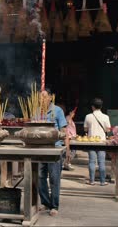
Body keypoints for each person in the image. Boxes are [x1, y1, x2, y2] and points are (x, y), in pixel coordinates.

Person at [37, 88, 67, 217]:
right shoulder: (37, 111)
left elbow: (64, 131)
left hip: (54, 148)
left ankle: (54, 205)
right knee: (39, 177)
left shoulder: (58, 111)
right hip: (39, 149)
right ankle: (45, 202)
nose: (41, 99)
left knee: (54, 178)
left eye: (44, 96)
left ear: (50, 97)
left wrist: (67, 149)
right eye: (40, 97)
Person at [84, 98, 111, 186]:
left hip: (91, 141)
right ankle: (102, 181)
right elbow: (108, 129)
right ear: (101, 106)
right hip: (102, 142)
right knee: (101, 162)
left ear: (92, 107)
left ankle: (91, 181)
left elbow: (85, 129)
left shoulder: (88, 116)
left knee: (92, 161)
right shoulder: (106, 117)